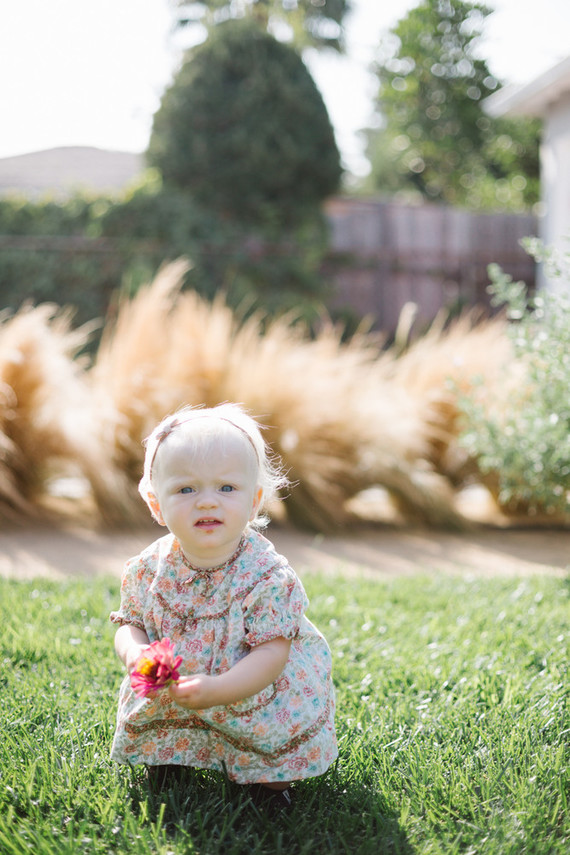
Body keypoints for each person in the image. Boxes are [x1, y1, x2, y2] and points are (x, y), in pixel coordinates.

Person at [109, 403, 337, 811]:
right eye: (186, 489)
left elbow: (272, 654)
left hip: (251, 686)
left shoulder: (267, 576)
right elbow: (130, 624)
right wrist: (136, 652)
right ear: (155, 504)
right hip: (174, 686)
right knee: (157, 716)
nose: (207, 502)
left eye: (227, 488)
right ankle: (169, 755)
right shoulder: (148, 568)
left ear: (254, 501)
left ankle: (266, 784)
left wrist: (219, 689)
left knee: (272, 756)